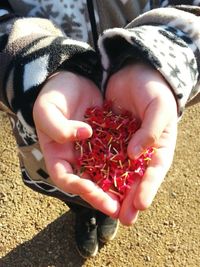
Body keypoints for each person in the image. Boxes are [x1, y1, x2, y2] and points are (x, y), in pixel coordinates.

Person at [0, 0, 199, 258]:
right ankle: (82, 213)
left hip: (133, 73)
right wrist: (30, 62)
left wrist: (156, 58)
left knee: (105, 187)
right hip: (42, 113)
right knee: (71, 185)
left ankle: (105, 212)